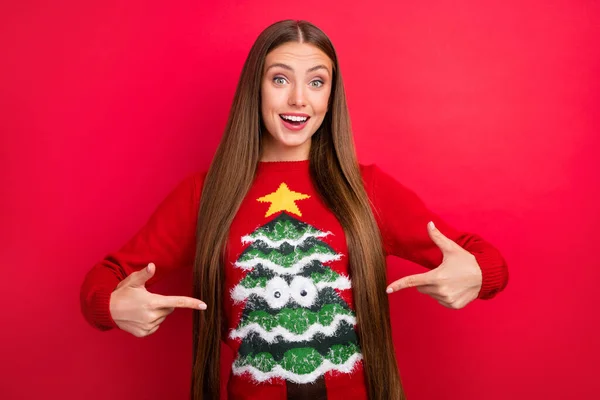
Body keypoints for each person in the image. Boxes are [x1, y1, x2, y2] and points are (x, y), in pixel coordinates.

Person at [80, 19, 508, 400]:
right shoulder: (204, 194)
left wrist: (477, 274)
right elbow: (101, 281)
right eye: (280, 79)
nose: (299, 99)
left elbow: (488, 261)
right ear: (256, 87)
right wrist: (112, 306)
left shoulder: (366, 188)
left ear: (331, 96)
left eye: (317, 82)